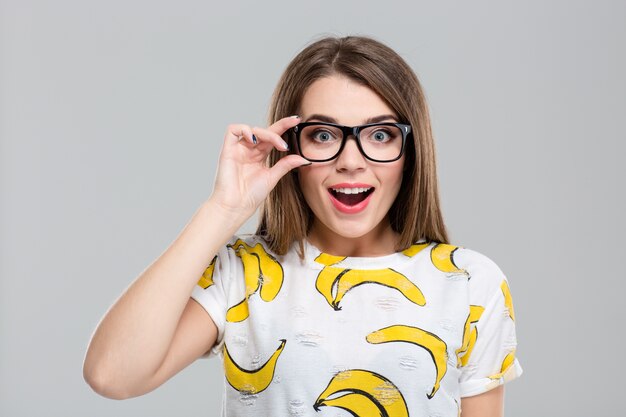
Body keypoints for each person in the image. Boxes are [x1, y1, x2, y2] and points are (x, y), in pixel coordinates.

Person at [83, 35, 522, 417]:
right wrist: (222, 209)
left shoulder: (469, 284)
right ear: (290, 149)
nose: (351, 160)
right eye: (324, 135)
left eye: (380, 135)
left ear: (412, 151)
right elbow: (111, 375)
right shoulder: (243, 273)